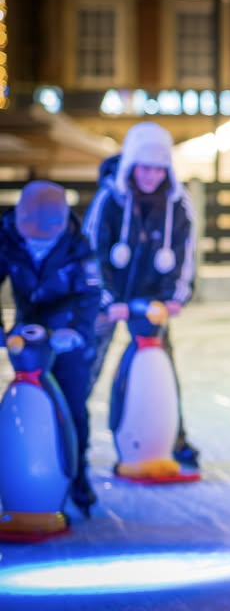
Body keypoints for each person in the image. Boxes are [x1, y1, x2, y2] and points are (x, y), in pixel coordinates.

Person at [83, 121, 200, 469]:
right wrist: (108, 300)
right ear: (132, 165)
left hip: (151, 302)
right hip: (108, 300)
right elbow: (93, 252)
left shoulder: (178, 204)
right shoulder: (110, 199)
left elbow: (185, 253)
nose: (151, 176)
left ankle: (173, 437)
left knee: (161, 369)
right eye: (144, 168)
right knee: (86, 365)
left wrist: (173, 296)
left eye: (158, 169)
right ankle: (70, 433)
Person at [0, 181, 102, 515]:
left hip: (66, 334)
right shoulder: (7, 238)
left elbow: (91, 295)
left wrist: (77, 332)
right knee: (28, 402)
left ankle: (77, 476)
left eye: (45, 242)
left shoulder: (78, 245)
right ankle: (22, 475)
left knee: (72, 406)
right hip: (29, 334)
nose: (37, 246)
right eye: (31, 239)